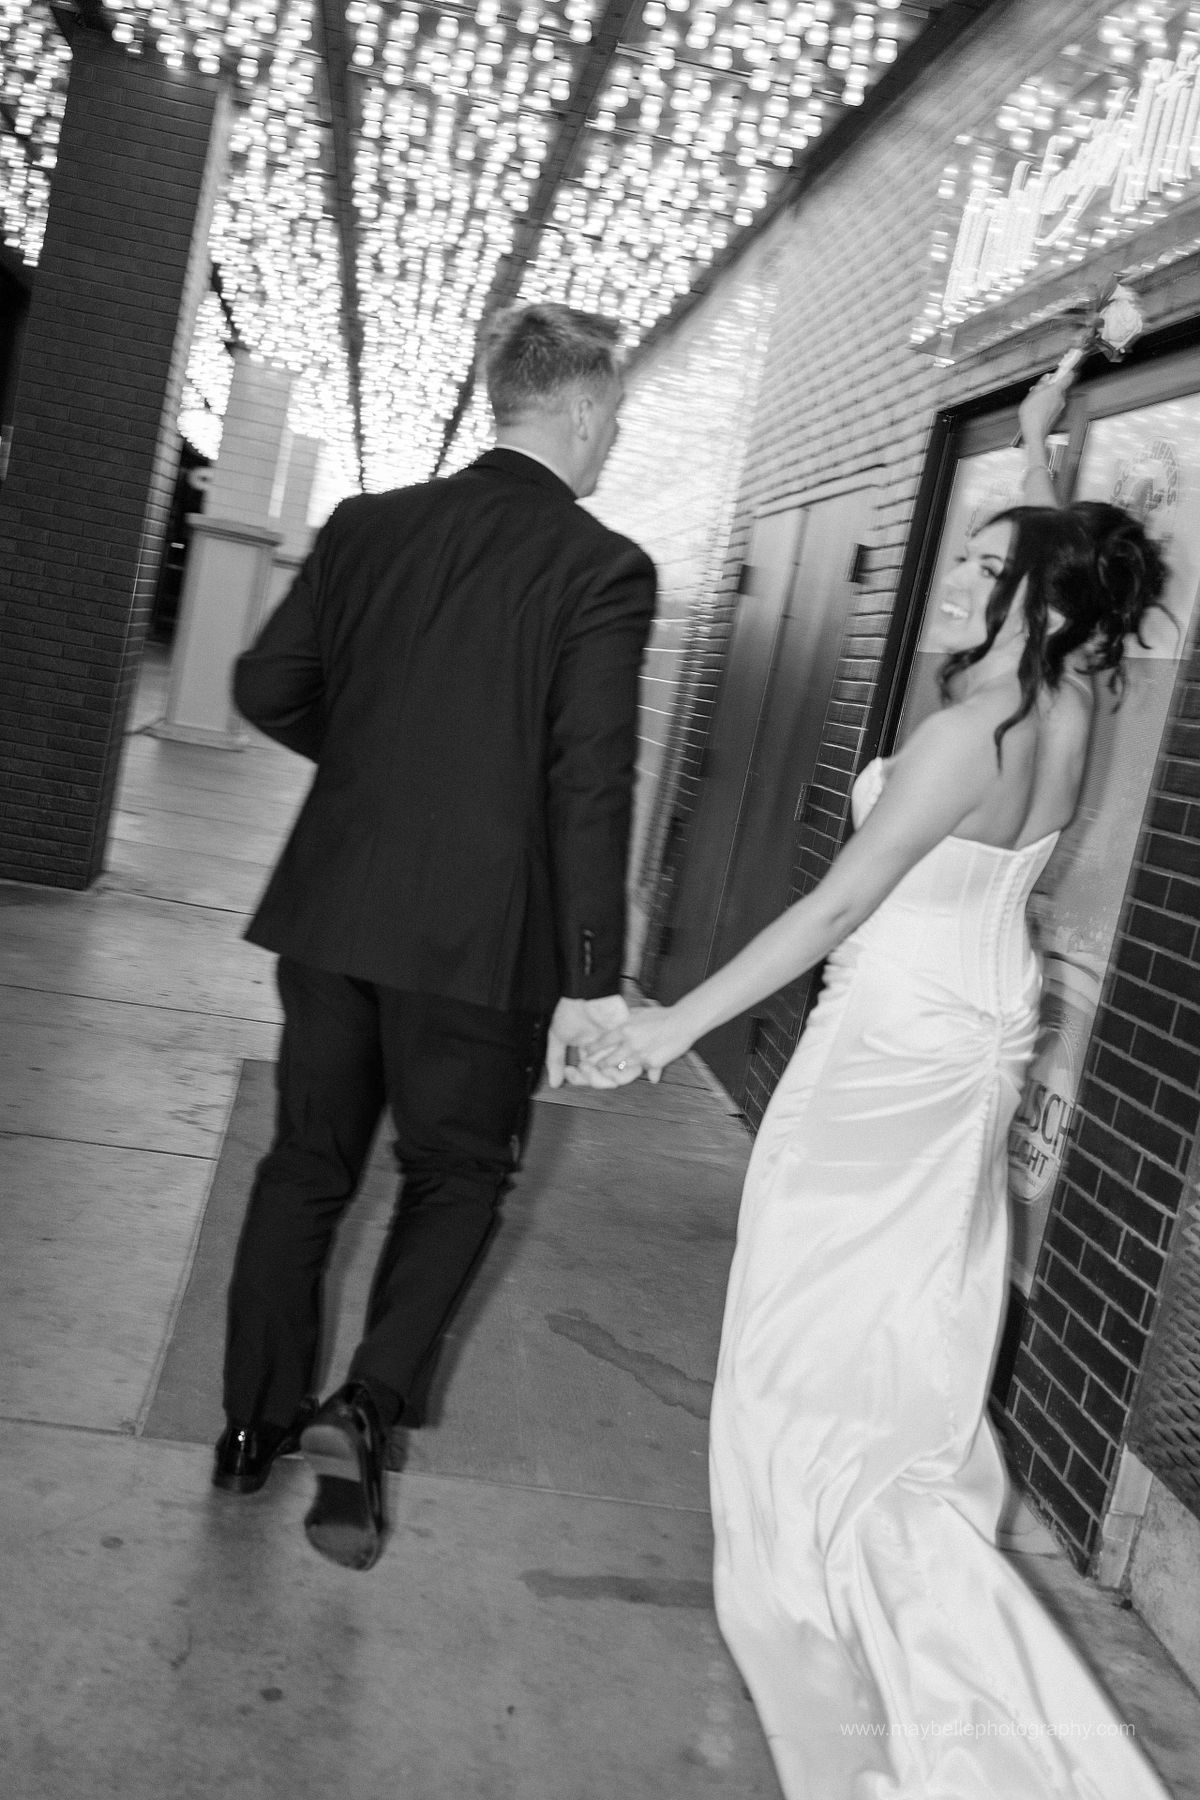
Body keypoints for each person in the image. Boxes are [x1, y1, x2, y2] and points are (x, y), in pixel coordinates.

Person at [581, 378, 1173, 1796]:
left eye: (987, 565)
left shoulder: (971, 734)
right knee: (901, 1340)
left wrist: (668, 1030)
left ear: (1038, 601)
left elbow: (840, 907)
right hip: (966, 1046)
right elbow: (1070, 560)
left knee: (803, 1373)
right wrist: (1045, 430)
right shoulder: (1072, 705)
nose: (958, 578)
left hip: (888, 1052)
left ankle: (885, 1686)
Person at [212, 302, 656, 1571]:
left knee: (307, 1165)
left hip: (336, 909)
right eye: (612, 412)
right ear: (577, 409)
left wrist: (371, 771)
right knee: (457, 1175)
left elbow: (263, 685)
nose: (612, 434)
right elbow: (590, 778)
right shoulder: (601, 567)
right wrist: (589, 980)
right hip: (482, 941)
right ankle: (368, 1401)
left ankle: (249, 1427)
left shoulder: (367, 526)